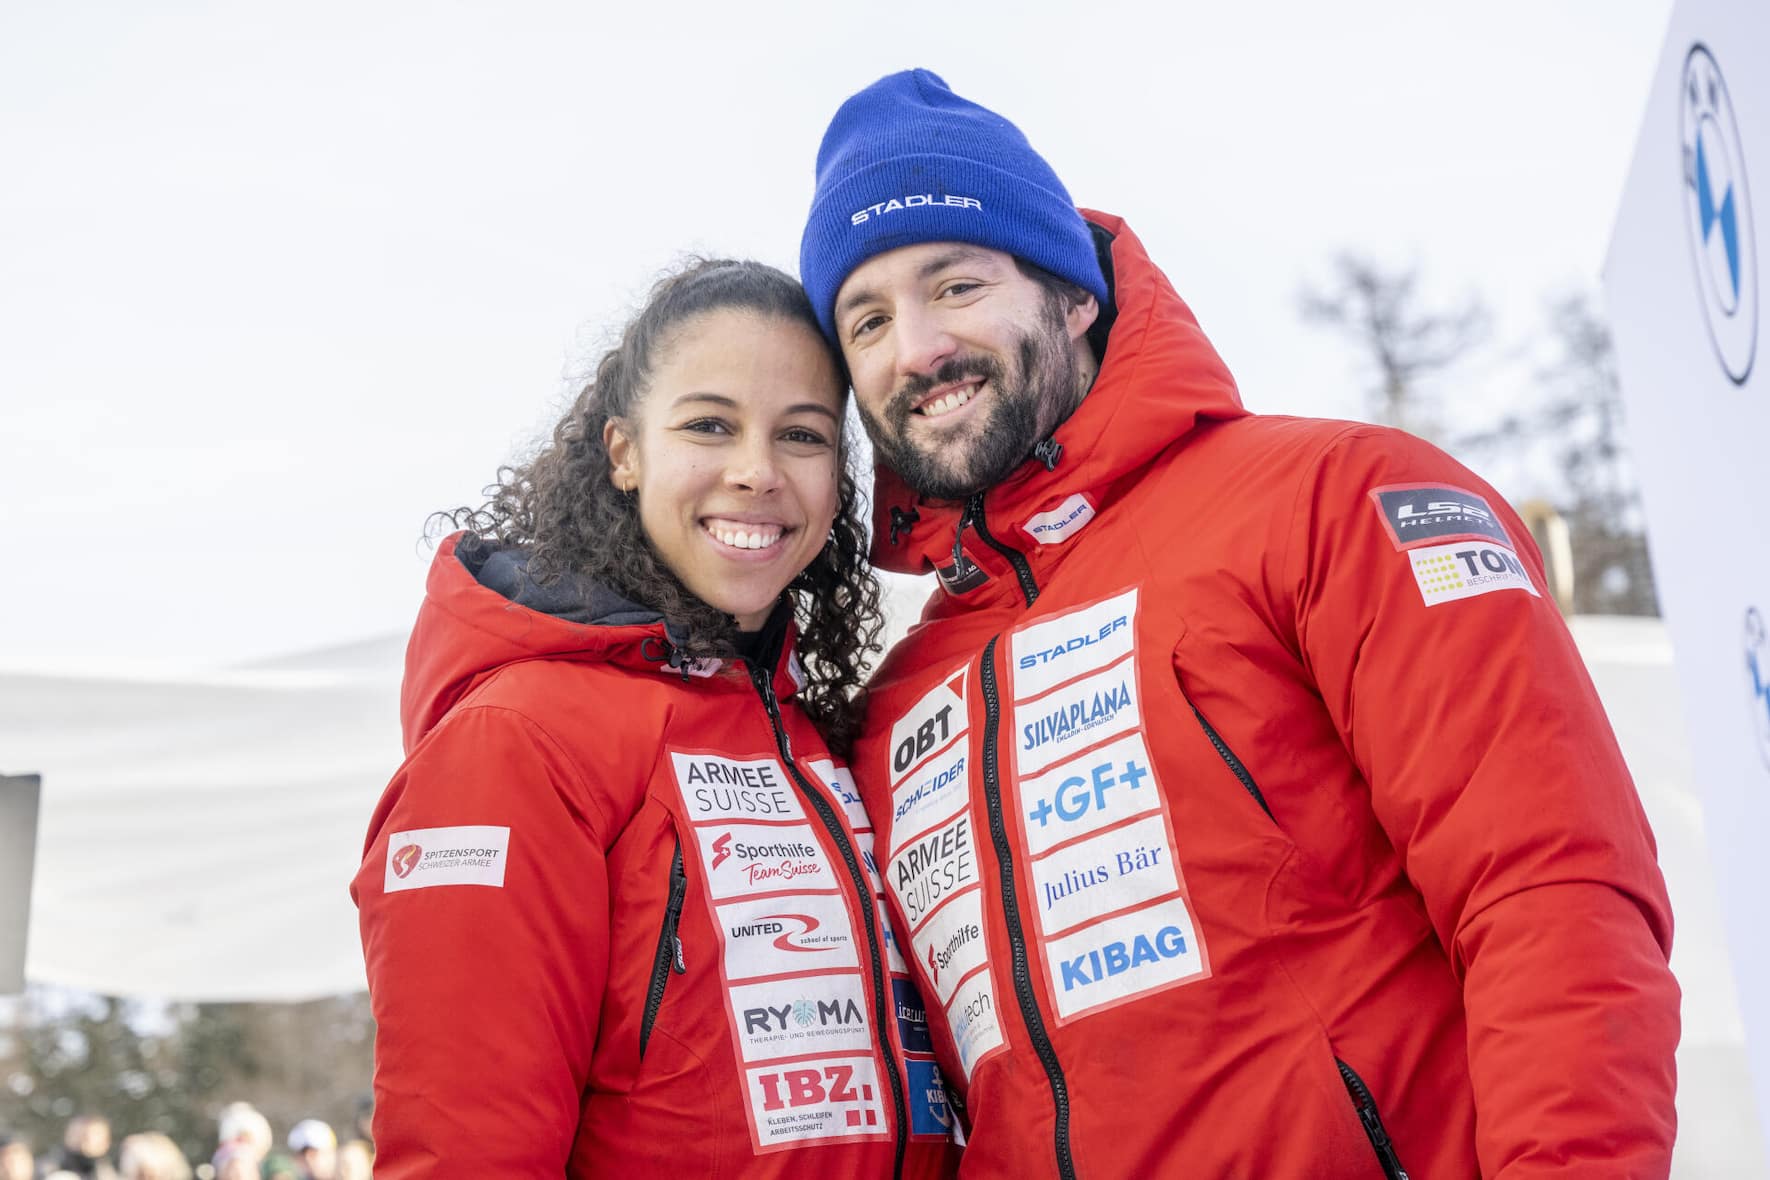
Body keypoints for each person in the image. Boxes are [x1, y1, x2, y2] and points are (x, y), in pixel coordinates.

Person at [797, 70, 1680, 1178]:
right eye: (867, 319)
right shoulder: (896, 706)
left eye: (957, 285)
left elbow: (1550, 891)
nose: (914, 349)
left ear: (1075, 292)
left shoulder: (1331, 500)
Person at [353, 258, 957, 1177]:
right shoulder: (516, 739)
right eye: (709, 426)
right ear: (624, 452)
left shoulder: (817, 734)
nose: (757, 472)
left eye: (802, 435)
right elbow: (464, 1149)